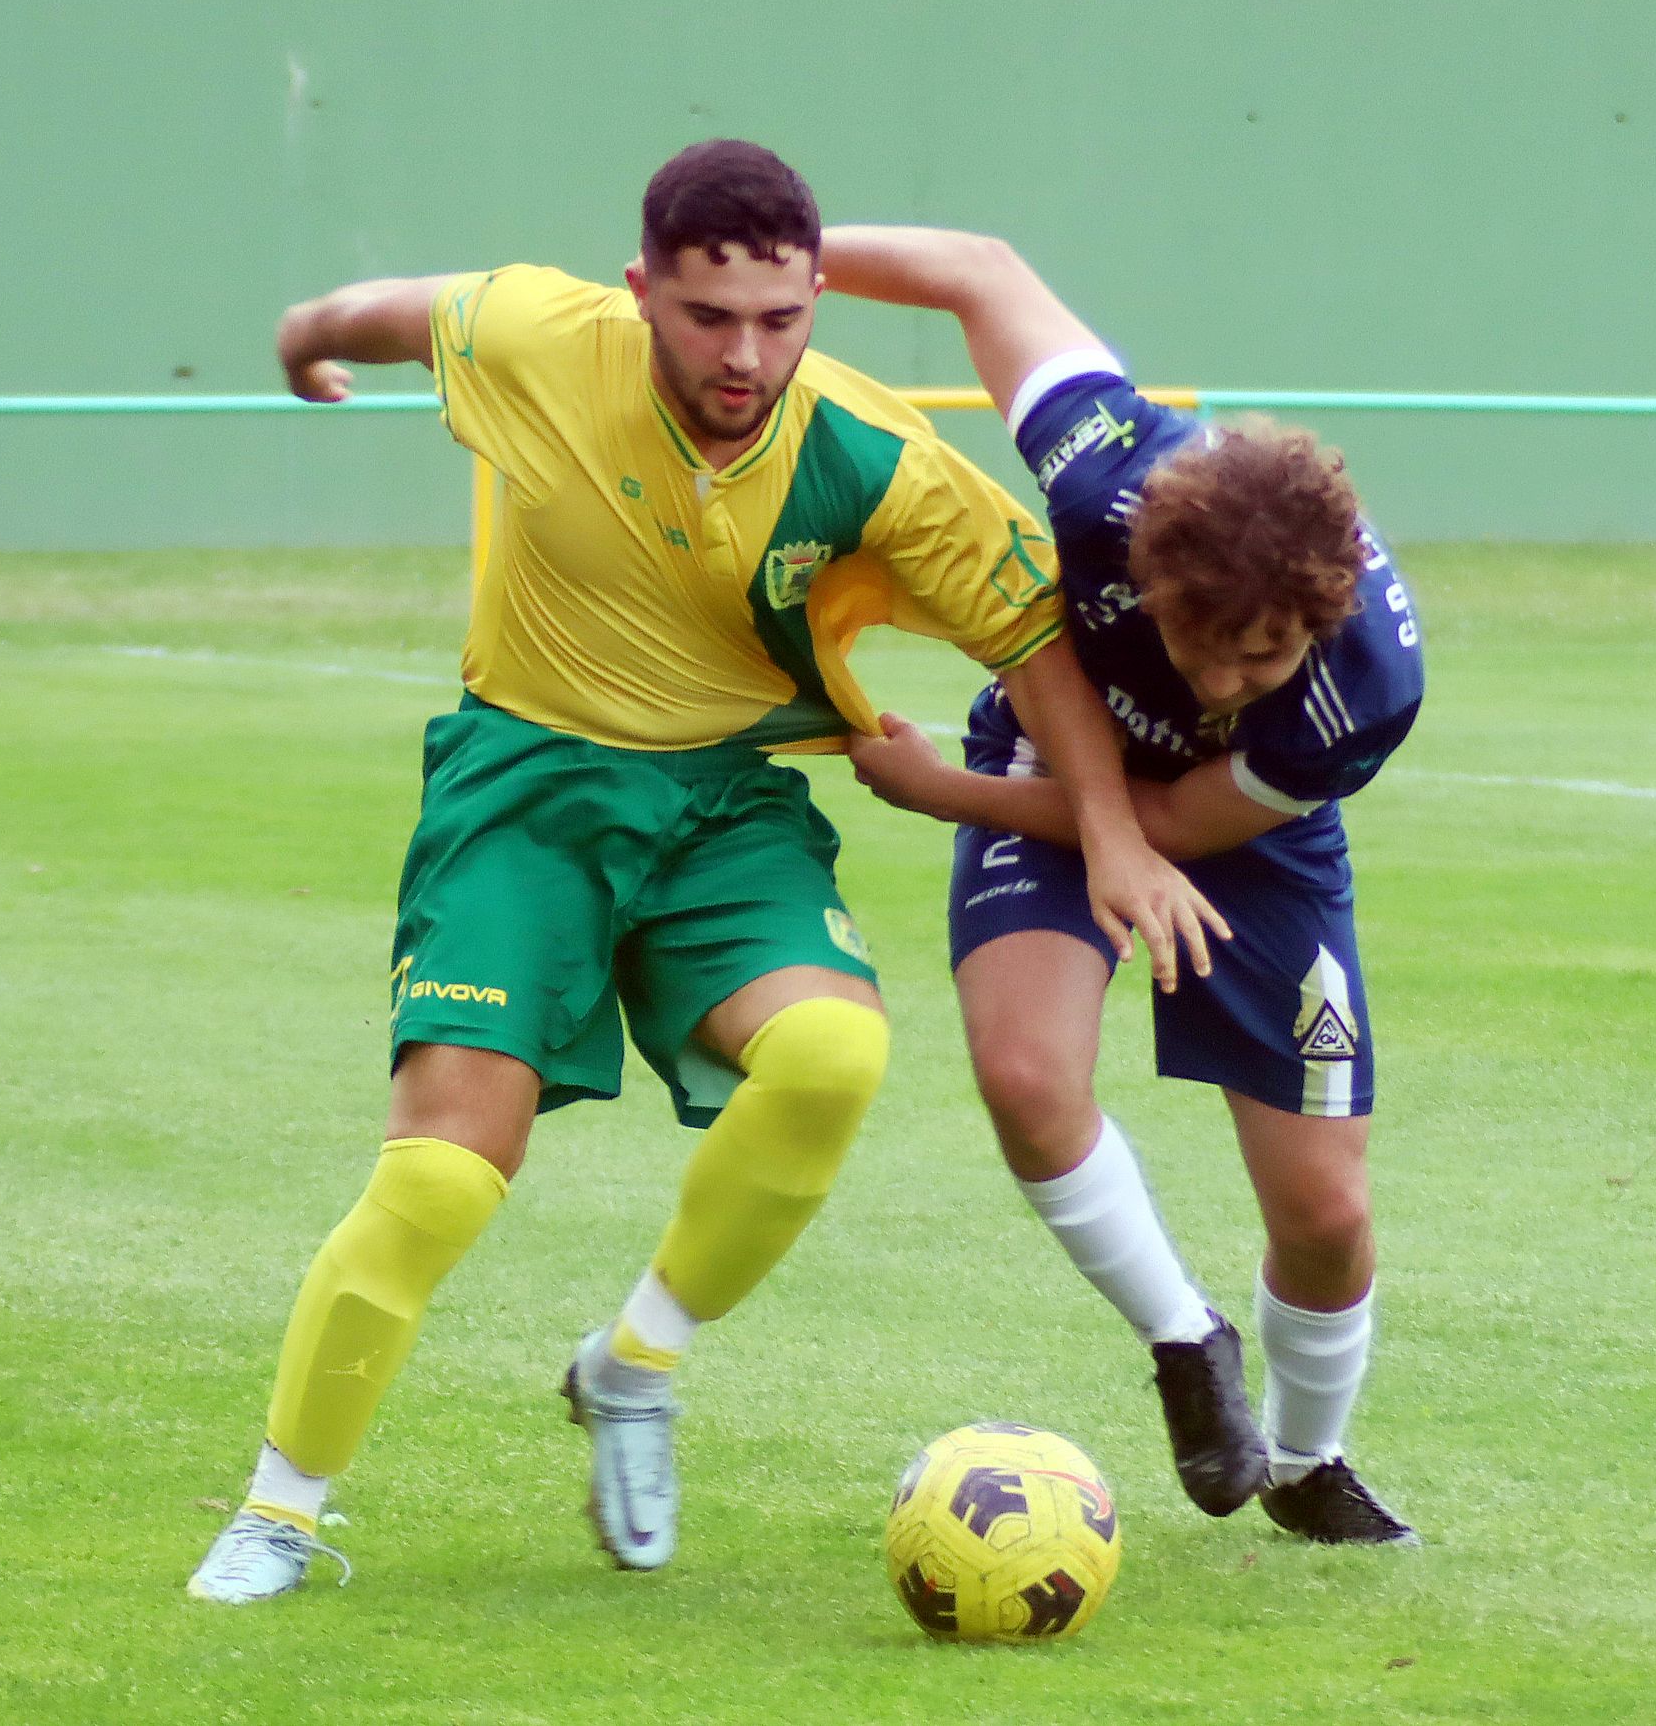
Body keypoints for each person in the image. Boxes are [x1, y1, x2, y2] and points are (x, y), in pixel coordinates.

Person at [188, 144, 1222, 1602]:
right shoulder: (538, 334)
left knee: (830, 1053)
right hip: (524, 787)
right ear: (639, 293)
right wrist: (304, 342)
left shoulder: (871, 458)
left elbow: (1032, 640)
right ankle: (279, 1515)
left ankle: (634, 1363)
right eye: (705, 318)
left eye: (780, 320)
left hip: (723, 806)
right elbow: (376, 311)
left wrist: (1112, 837)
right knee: (437, 1176)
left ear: (813, 300)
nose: (746, 356)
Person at [821, 223, 1428, 1546]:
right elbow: (977, 269)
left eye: (1256, 659)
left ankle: (1305, 1463)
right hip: (1053, 752)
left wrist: (943, 794)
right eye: (1193, 644)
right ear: (1145, 571)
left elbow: (1164, 822)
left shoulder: (1357, 690)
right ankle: (1183, 1340)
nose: (1219, 681)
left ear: (1315, 618)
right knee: (1026, 1076)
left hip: (1242, 830)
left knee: (1325, 1209)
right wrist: (783, 264)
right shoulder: (1107, 477)